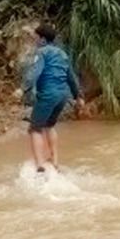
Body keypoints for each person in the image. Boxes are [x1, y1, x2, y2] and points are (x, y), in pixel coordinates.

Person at [23, 22, 82, 174]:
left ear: (42, 39)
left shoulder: (42, 52)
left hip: (48, 95)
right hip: (62, 95)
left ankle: (40, 166)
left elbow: (34, 74)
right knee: (49, 125)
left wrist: (24, 89)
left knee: (34, 128)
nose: (35, 40)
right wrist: (78, 96)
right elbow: (71, 78)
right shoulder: (63, 54)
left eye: (36, 37)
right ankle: (55, 162)